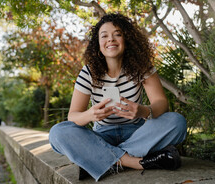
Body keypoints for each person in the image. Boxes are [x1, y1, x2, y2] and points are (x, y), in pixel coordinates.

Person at [49, 13, 187, 181]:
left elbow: (161, 103)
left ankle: (101, 159)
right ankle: (135, 162)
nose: (111, 40)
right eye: (104, 35)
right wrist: (90, 115)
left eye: (117, 34)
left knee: (177, 122)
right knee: (57, 133)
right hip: (101, 135)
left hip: (137, 133)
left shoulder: (141, 67)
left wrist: (143, 111)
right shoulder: (88, 72)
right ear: (98, 43)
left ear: (126, 39)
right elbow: (73, 116)